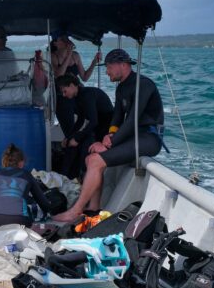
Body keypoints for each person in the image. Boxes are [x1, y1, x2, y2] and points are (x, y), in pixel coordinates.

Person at [53, 48, 164, 222]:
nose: (107, 72)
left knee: (95, 161)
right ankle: (93, 209)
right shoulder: (121, 88)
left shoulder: (143, 84)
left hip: (149, 138)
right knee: (91, 158)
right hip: (132, 137)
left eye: (109, 67)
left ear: (123, 65)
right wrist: (109, 134)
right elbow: (117, 117)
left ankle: (75, 211)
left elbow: (132, 119)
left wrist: (109, 142)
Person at [54, 75, 114, 181]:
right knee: (71, 144)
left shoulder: (87, 95)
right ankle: (67, 176)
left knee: (85, 145)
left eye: (65, 91)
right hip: (98, 126)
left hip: (106, 127)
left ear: (72, 86)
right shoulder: (77, 97)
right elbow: (80, 120)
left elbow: (94, 121)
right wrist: (69, 137)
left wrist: (77, 139)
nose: (63, 95)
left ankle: (83, 177)